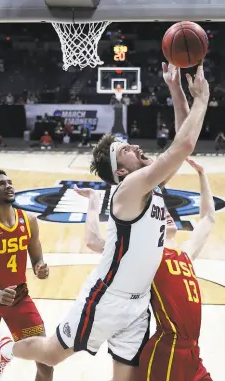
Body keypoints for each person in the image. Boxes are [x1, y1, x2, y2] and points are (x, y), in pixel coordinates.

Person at [0, 64, 210, 381]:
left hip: (138, 304)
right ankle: (8, 349)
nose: (134, 146)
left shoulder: (151, 187)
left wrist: (175, 89)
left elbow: (184, 138)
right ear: (120, 171)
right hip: (107, 298)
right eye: (125, 150)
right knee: (52, 353)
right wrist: (201, 100)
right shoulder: (129, 190)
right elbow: (182, 146)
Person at [74, 156, 214, 381]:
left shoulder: (185, 254)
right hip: (167, 348)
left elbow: (207, 218)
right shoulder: (146, 254)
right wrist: (93, 201)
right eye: (163, 216)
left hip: (192, 353)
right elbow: (93, 241)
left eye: (169, 214)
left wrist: (202, 174)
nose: (167, 215)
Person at [0, 170, 53, 381]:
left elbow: (37, 259)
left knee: (46, 363)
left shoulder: (29, 220)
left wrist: (40, 267)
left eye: (9, 182)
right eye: (1, 184)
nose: (8, 186)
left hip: (19, 298)